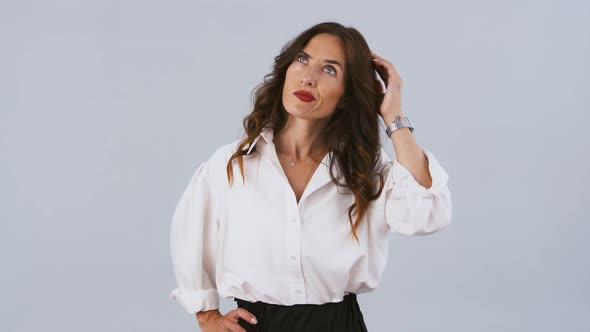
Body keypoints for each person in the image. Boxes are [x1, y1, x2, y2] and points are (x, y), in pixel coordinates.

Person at [168, 21, 452, 332]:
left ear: (346, 95)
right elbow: (192, 234)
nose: (308, 77)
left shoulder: (364, 168)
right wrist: (206, 315)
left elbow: (427, 214)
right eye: (303, 59)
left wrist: (393, 114)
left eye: (329, 70)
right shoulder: (231, 164)